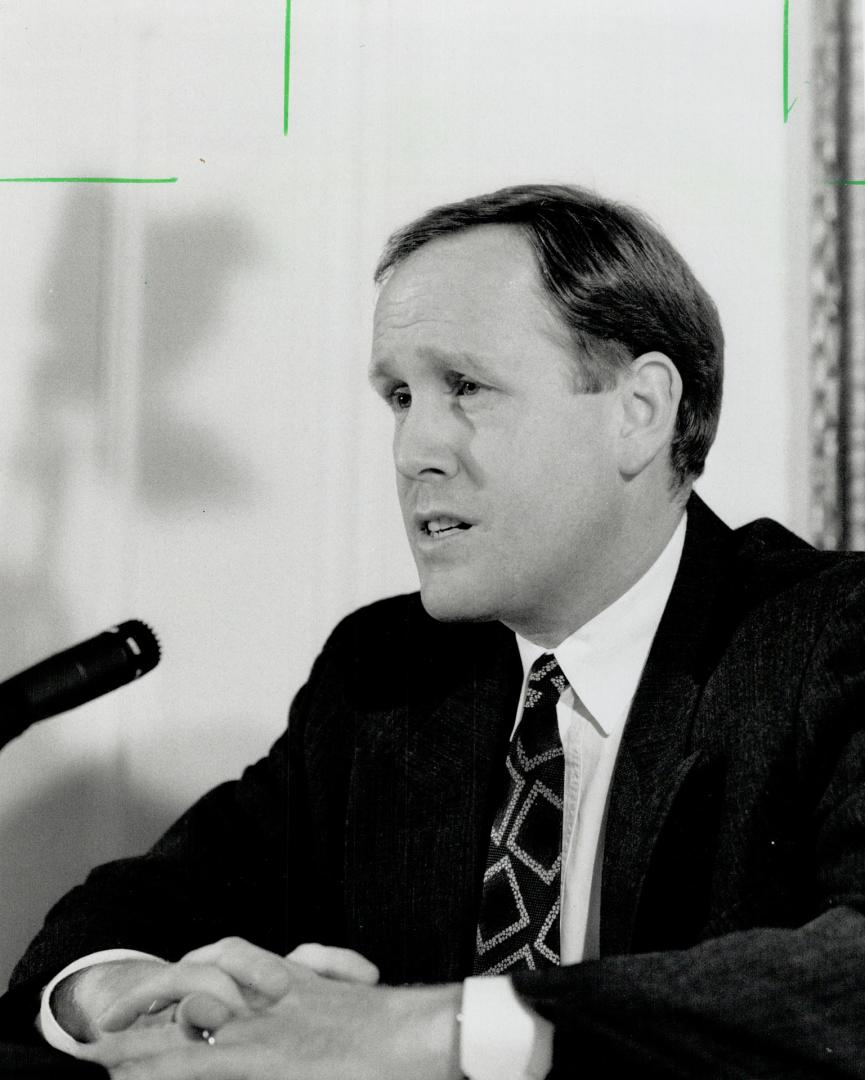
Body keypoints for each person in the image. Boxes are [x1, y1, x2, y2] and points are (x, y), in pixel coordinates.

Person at [3, 183, 865, 1080]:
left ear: (638, 410)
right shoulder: (387, 671)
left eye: (464, 387)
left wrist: (421, 1031)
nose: (416, 449)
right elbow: (138, 905)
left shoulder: (827, 637)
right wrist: (129, 990)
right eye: (399, 398)